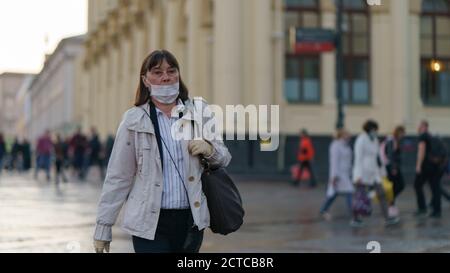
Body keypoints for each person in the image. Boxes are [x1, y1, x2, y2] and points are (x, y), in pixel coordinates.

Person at [93, 50, 232, 253]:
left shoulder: (199, 112)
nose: (165, 77)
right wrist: (103, 227)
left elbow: (224, 157)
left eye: (171, 70)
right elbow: (118, 177)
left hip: (189, 222)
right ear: (145, 80)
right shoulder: (133, 120)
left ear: (178, 75)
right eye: (157, 72)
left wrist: (209, 149)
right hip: (148, 223)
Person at [351, 120, 399, 227]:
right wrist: (358, 175)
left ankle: (387, 217)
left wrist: (383, 172)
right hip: (362, 173)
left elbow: (378, 158)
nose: (376, 132)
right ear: (369, 129)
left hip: (374, 173)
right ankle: (355, 218)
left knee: (382, 193)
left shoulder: (375, 140)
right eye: (374, 129)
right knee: (359, 196)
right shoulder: (361, 139)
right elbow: (358, 158)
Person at [319, 128, 354, 221]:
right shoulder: (335, 145)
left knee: (334, 194)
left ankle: (323, 209)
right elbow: (334, 162)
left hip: (345, 174)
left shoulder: (346, 146)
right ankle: (354, 214)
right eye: (347, 134)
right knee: (348, 192)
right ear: (341, 135)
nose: (349, 136)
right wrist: (334, 176)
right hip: (338, 175)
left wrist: (350, 172)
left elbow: (349, 161)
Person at [414, 120, 446, 218]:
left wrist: (418, 165)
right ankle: (437, 211)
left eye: (420, 125)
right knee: (435, 188)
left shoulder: (423, 136)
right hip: (435, 166)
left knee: (417, 185)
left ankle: (422, 208)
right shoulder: (431, 136)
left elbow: (421, 150)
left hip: (426, 166)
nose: (418, 127)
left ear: (424, 126)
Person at [382, 126, 406, 217]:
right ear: (398, 132)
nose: (403, 135)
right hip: (392, 168)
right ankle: (390, 204)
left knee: (398, 186)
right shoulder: (391, 141)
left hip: (395, 167)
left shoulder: (396, 141)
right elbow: (390, 155)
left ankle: (391, 203)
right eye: (402, 132)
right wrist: (393, 168)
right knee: (399, 185)